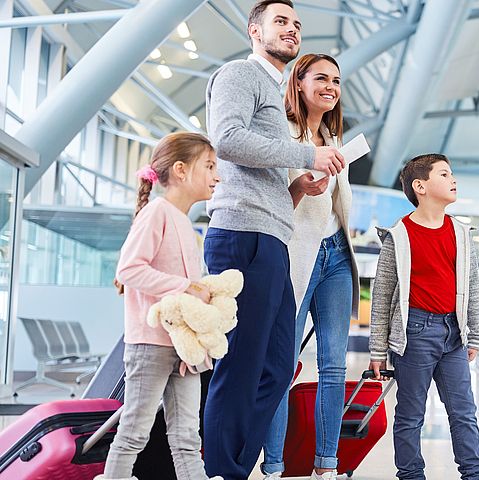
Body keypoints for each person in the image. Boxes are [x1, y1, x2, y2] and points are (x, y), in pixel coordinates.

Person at [202, 1, 344, 478]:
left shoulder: (270, 86)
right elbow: (226, 139)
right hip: (242, 234)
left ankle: (233, 463)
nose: (292, 30)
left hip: (271, 237)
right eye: (280, 22)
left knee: (279, 366)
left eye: (297, 24)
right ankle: (223, 468)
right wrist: (307, 152)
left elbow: (259, 169)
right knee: (242, 365)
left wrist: (297, 186)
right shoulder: (240, 75)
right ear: (254, 30)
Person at [96, 132, 222, 480]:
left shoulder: (183, 222)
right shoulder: (157, 212)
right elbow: (130, 269)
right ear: (180, 170)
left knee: (186, 437)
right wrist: (187, 287)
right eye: (210, 166)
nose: (217, 175)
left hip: (186, 350)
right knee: (134, 431)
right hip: (150, 344)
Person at [261, 54, 359, 480]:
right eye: (321, 78)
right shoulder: (280, 133)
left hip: (336, 253)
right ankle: (274, 468)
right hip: (297, 253)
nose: (331, 86)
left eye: (336, 80)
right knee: (281, 363)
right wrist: (299, 186)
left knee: (334, 363)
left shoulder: (334, 141)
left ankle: (327, 465)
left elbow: (338, 204)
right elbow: (269, 202)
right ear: (298, 82)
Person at [368, 154, 479, 480]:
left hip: (454, 334)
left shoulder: (461, 233)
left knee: (464, 413)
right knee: (410, 415)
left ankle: (475, 475)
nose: (454, 179)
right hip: (414, 333)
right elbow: (382, 296)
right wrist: (378, 349)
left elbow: (472, 287)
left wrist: (475, 333)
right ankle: (410, 476)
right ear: (420, 186)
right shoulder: (399, 235)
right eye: (445, 174)